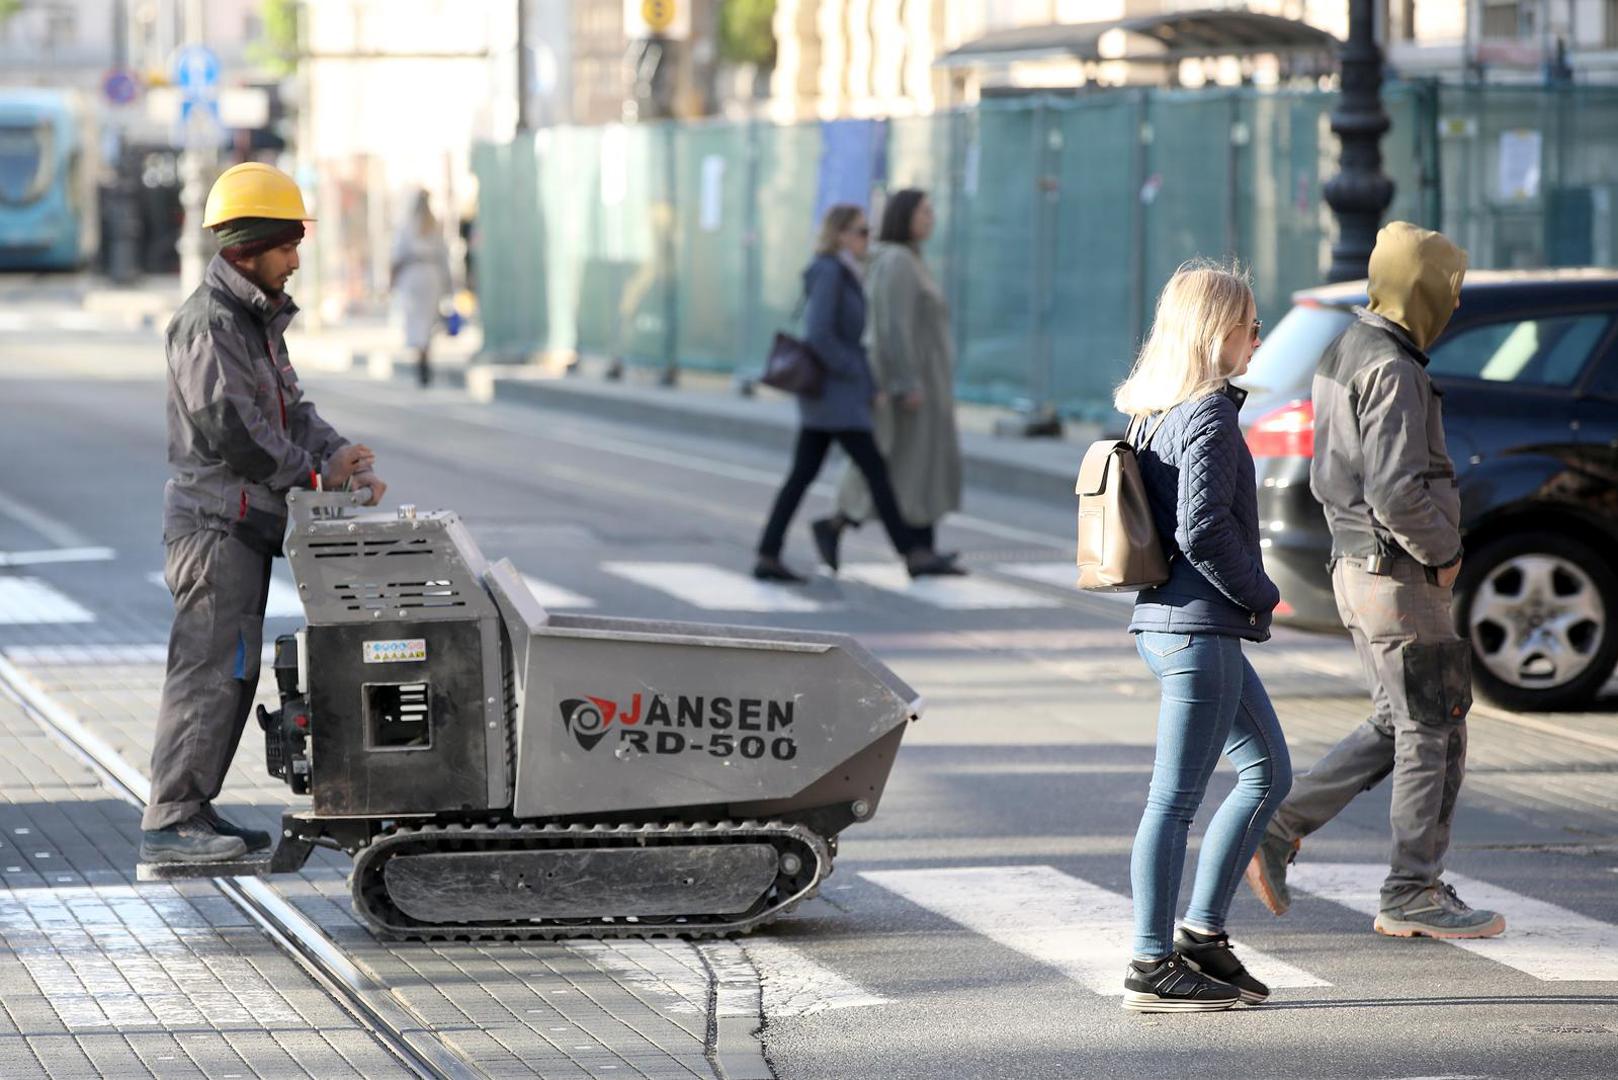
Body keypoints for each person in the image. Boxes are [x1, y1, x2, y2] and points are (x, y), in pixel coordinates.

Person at [1245, 222, 1505, 940]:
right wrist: (1445, 550)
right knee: (1433, 727)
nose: (1452, 305)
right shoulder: (1393, 365)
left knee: (1400, 721)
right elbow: (1396, 489)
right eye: (1447, 290)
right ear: (1421, 291)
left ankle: (1277, 830)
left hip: (1359, 569)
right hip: (1399, 575)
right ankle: (1412, 889)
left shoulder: (1349, 347)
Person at [141, 162, 387, 864]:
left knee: (234, 671)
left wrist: (341, 455)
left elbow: (291, 410)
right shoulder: (209, 324)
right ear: (248, 247)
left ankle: (194, 809)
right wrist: (315, 474)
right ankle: (170, 821)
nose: (297, 259)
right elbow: (234, 429)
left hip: (243, 527)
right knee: (209, 668)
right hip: (214, 528)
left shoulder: (256, 321)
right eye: (287, 245)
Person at [1117, 262, 1291, 1013]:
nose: (1258, 337)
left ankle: (1201, 937)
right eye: (1250, 324)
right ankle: (1152, 965)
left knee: (1268, 774)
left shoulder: (1154, 409)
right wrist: (1263, 594)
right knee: (1174, 801)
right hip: (1197, 633)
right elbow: (1202, 530)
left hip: (1173, 627)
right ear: (1215, 331)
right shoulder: (1210, 413)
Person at [754, 204, 958, 583]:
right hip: (836, 397)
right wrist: (858, 377)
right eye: (862, 232)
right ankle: (911, 553)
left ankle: (769, 552)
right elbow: (821, 336)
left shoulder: (843, 271)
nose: (869, 239)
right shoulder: (831, 272)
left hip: (832, 398)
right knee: (875, 473)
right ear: (841, 235)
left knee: (804, 474)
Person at [819, 189, 963, 572]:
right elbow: (893, 327)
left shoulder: (912, 259)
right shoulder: (898, 261)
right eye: (924, 211)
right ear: (905, 216)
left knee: (913, 466)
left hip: (925, 379)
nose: (931, 217)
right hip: (912, 381)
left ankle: (919, 546)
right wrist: (905, 382)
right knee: (902, 464)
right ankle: (851, 526)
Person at [391, 189, 453, 388]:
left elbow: (397, 255)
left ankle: (421, 359)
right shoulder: (434, 226)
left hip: (414, 276)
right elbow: (444, 257)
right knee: (426, 321)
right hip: (431, 277)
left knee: (417, 320)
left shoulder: (407, 226)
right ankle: (425, 355)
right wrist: (448, 286)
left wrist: (392, 281)